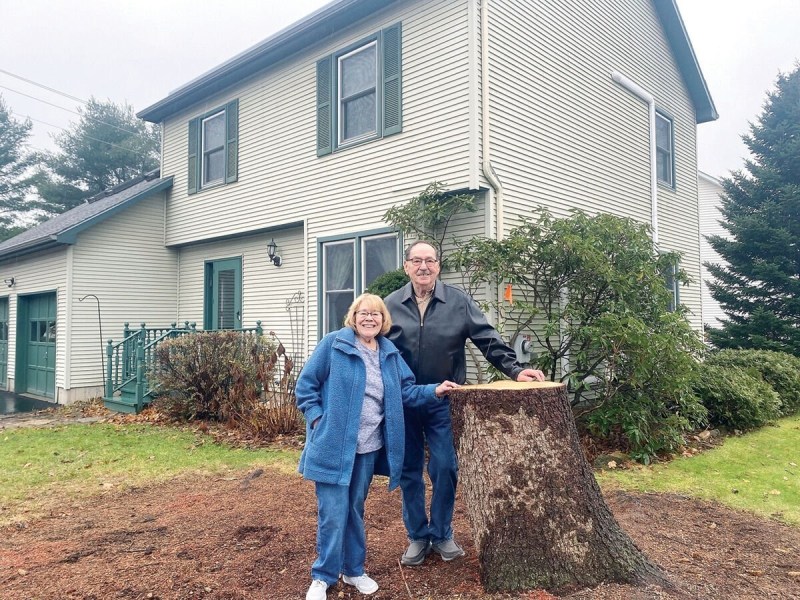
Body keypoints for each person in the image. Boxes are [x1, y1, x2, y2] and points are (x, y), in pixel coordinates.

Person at [385, 240, 546, 566]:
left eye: (430, 260)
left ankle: (442, 533)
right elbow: (371, 347)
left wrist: (515, 369)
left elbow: (487, 338)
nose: (423, 267)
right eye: (416, 261)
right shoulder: (389, 305)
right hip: (404, 401)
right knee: (409, 472)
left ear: (438, 266)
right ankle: (417, 536)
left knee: (445, 467)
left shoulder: (457, 302)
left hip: (445, 399)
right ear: (406, 266)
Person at [296, 292, 459, 600]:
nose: (369, 318)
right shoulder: (335, 344)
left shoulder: (389, 353)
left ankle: (353, 570)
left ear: (384, 321)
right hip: (332, 445)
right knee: (332, 511)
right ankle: (323, 576)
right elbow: (306, 385)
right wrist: (319, 420)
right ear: (352, 317)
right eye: (363, 313)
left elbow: (407, 392)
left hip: (368, 448)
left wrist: (435, 390)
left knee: (354, 509)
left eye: (376, 314)